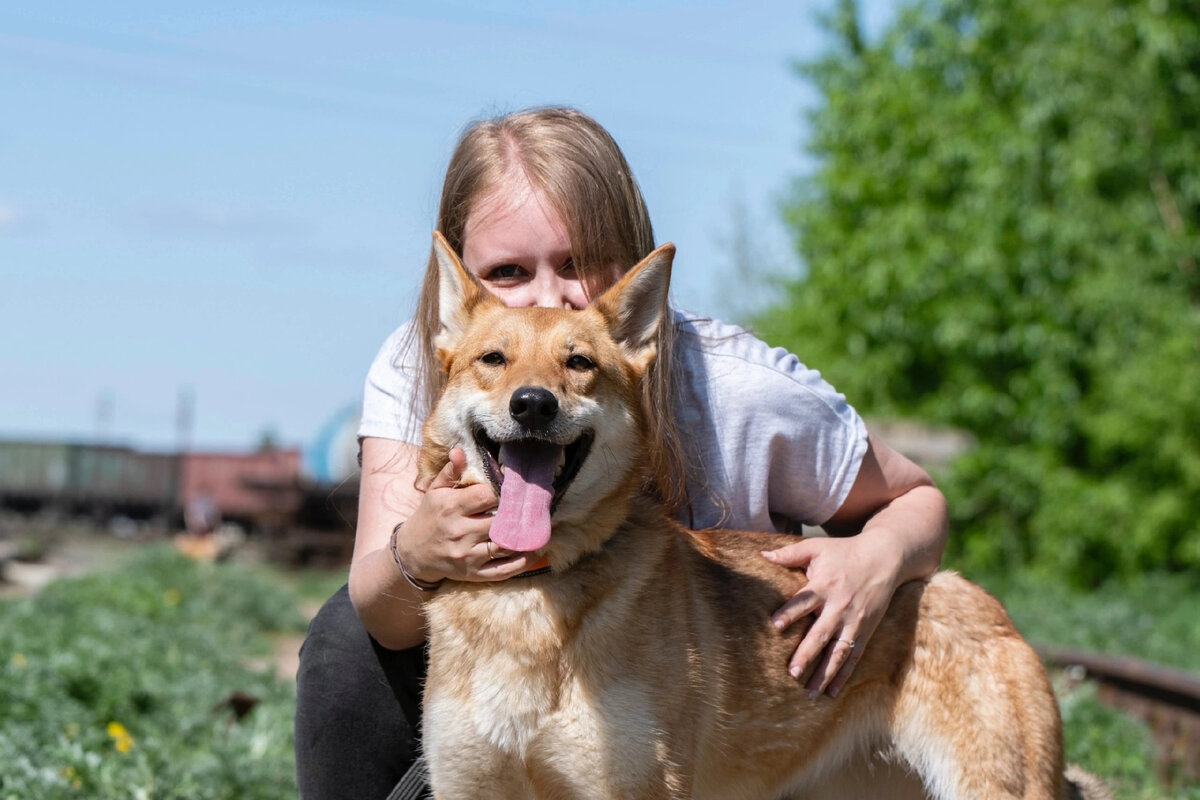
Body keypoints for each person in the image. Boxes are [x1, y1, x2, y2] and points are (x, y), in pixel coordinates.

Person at [294, 106, 948, 800]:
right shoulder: (414, 365)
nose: (549, 297)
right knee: (345, 637)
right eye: (509, 271)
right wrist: (416, 555)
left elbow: (916, 496)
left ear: (632, 274)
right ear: (459, 292)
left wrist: (876, 560)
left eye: (578, 264)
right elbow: (377, 610)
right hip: (486, 694)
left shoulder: (739, 384)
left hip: (726, 722)